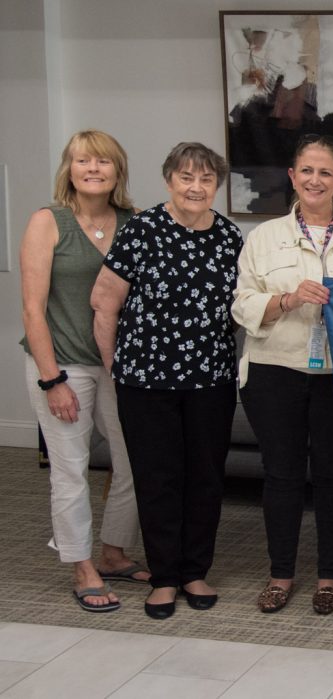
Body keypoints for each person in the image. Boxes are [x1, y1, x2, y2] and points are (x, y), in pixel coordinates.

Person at [232, 134, 333, 615]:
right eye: (307, 171)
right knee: (281, 475)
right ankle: (280, 575)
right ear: (292, 176)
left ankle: (330, 576)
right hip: (274, 370)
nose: (315, 180)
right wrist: (287, 299)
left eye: (325, 172)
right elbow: (242, 305)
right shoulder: (263, 238)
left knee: (332, 476)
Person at [91, 142, 242, 620]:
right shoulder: (142, 230)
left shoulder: (230, 237)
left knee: (204, 479)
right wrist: (117, 368)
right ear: (169, 181)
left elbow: (240, 308)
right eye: (186, 178)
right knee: (158, 480)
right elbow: (105, 302)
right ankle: (164, 578)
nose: (196, 188)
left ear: (216, 185)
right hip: (144, 380)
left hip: (210, 380)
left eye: (205, 179)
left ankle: (195, 570)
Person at [20, 130, 149, 613]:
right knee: (71, 471)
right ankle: (81, 565)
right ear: (68, 169)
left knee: (133, 461)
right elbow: (32, 309)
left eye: (103, 162)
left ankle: (114, 552)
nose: (92, 169)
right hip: (62, 363)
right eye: (82, 161)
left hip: (119, 367)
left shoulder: (133, 222)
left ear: (117, 171)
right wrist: (51, 379)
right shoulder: (47, 222)